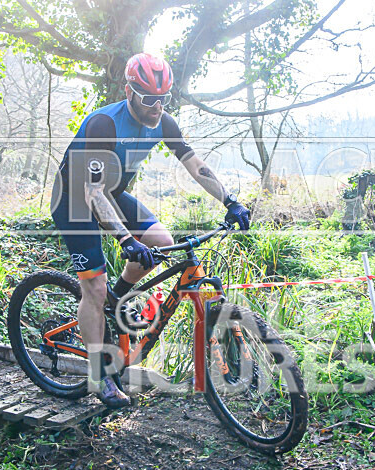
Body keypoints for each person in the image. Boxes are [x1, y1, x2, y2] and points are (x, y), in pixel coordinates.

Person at [50, 53, 251, 408]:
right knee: (92, 288)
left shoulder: (164, 122)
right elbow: (91, 193)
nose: (157, 107)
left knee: (161, 242)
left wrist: (230, 201)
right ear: (129, 92)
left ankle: (116, 298)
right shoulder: (104, 125)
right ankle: (100, 375)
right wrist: (126, 240)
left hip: (110, 193)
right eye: (148, 99)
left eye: (164, 99)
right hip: (74, 200)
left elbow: (195, 165)